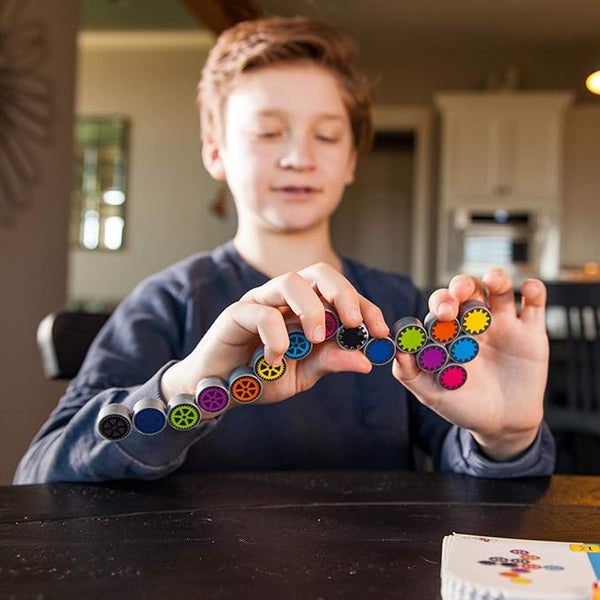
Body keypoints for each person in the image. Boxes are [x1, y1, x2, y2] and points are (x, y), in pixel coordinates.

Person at [14, 16, 554, 484]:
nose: (298, 157)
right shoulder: (167, 302)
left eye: (325, 136)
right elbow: (40, 472)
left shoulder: (398, 302)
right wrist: (186, 387)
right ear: (216, 153)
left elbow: (470, 469)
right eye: (268, 132)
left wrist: (505, 438)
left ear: (350, 162)